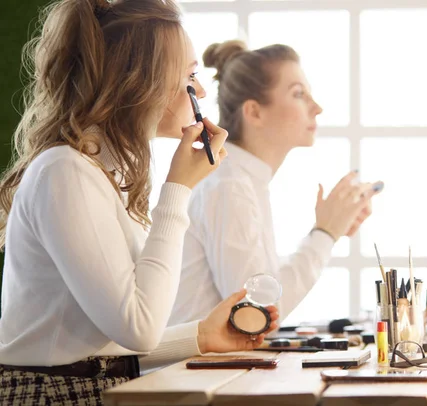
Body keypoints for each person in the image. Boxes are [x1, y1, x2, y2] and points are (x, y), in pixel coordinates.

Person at [0, 2, 277, 404]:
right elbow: (138, 328)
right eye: (191, 75)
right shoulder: (66, 171)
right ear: (143, 82)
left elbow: (105, 345)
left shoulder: (99, 172)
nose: (200, 91)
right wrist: (178, 189)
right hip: (52, 395)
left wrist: (200, 336)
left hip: (93, 385)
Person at [169, 40, 382, 326]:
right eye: (298, 94)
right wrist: (325, 233)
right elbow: (255, 314)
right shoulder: (229, 185)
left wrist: (331, 229)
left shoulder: (242, 181)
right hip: (192, 369)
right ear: (254, 112)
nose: (317, 107)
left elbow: (262, 287)